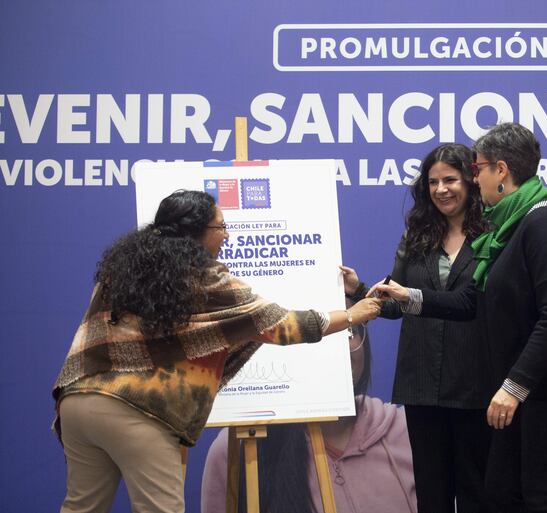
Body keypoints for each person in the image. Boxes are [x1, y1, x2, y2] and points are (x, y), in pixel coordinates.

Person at [52, 190, 381, 513]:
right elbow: (283, 324)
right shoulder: (205, 281)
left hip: (78, 402)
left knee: (82, 507)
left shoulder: (121, 273)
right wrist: (354, 314)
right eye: (220, 227)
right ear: (195, 232)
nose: (226, 236)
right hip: (138, 410)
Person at [369, 123, 547, 513]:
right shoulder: (509, 227)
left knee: (543, 497)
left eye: (477, 169)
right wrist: (405, 295)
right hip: (523, 388)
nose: (474, 178)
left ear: (501, 170)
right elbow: (470, 302)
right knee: (503, 494)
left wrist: (513, 387)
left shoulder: (543, 224)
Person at [341, 143, 492, 513]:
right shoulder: (416, 235)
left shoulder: (494, 232)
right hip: (422, 383)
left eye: (451, 179)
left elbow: (479, 304)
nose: (441, 189)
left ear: (472, 180)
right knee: (431, 493)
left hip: (475, 383)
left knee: (478, 492)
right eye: (433, 181)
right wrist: (360, 290)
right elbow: (397, 306)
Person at [201, 312, 417, 513]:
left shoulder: (410, 432)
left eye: (349, 329)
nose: (335, 346)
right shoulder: (237, 448)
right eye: (319, 332)